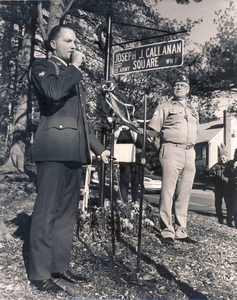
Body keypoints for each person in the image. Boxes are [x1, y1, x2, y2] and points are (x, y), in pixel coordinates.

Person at [29, 25, 110, 295]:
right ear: (53, 44)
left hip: (75, 152)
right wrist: (74, 68)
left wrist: (99, 149)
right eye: (68, 40)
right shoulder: (43, 66)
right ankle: (39, 274)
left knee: (66, 215)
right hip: (53, 151)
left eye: (76, 41)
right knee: (46, 213)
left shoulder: (71, 76)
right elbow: (52, 92)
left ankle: (57, 266)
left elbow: (81, 121)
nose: (74, 45)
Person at [149, 74, 199, 245]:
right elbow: (152, 133)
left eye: (182, 85)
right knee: (168, 192)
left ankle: (181, 230)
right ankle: (167, 231)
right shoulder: (165, 106)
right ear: (173, 88)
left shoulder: (192, 109)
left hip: (189, 153)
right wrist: (162, 149)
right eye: (176, 85)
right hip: (171, 150)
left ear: (188, 89)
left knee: (184, 193)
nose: (179, 87)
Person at [207, 144, 231, 225]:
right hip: (218, 188)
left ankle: (229, 221)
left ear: (227, 157)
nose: (223, 159)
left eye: (224, 157)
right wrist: (214, 179)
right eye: (221, 157)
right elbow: (209, 174)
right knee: (218, 204)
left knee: (229, 205)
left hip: (228, 188)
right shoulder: (216, 166)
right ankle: (220, 220)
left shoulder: (230, 165)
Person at [224, 148, 237, 228]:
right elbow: (225, 173)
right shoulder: (230, 163)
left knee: (236, 206)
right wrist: (232, 168)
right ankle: (229, 222)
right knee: (229, 205)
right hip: (230, 187)